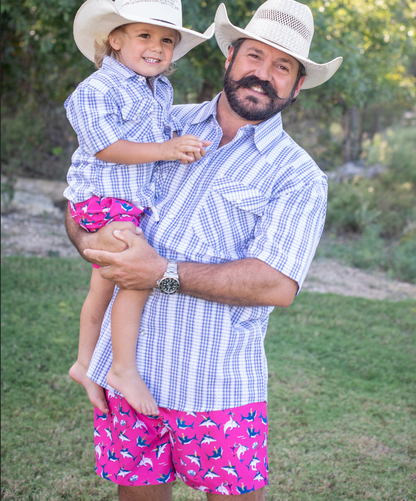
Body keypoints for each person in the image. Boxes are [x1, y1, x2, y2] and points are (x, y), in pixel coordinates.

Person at [66, 0, 342, 498]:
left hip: (216, 385)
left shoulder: (299, 177)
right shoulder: (158, 123)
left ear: (297, 85)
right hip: (127, 373)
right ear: (230, 55)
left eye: (283, 67)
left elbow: (276, 284)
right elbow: (87, 190)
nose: (263, 74)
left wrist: (160, 272)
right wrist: (90, 239)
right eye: (254, 56)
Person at [65, 0, 214, 416]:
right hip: (102, 196)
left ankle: (83, 361)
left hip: (130, 201)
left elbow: (157, 134)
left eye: (167, 40)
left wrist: (177, 146)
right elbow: (106, 147)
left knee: (104, 284)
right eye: (144, 35)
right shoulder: (97, 89)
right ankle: (123, 369)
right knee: (138, 277)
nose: (158, 47)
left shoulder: (160, 88)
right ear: (115, 39)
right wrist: (167, 149)